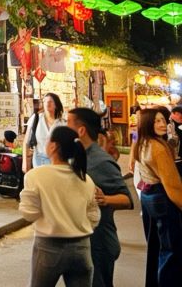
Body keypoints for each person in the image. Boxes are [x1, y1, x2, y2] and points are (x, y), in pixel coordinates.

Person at [18, 125, 100, 287]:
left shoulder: (36, 176)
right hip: (82, 248)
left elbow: (29, 213)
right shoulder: (85, 179)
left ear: (53, 146)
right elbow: (94, 216)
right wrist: (76, 226)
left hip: (48, 247)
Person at [66, 107, 133, 287]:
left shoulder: (102, 161)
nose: (64, 128)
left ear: (81, 130)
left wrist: (106, 200)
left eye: (68, 123)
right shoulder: (76, 156)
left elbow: (127, 199)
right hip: (81, 240)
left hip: (99, 243)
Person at [133, 107, 182, 287]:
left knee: (156, 246)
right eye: (157, 121)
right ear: (148, 123)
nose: (162, 124)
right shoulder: (157, 148)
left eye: (164, 120)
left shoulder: (143, 141)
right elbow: (173, 186)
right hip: (161, 197)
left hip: (148, 196)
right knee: (170, 251)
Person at [24, 93, 66, 171]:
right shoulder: (36, 119)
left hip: (56, 160)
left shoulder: (62, 123)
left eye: (50, 101)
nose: (47, 103)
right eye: (45, 101)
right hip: (39, 159)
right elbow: (26, 141)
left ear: (56, 105)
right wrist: (25, 162)